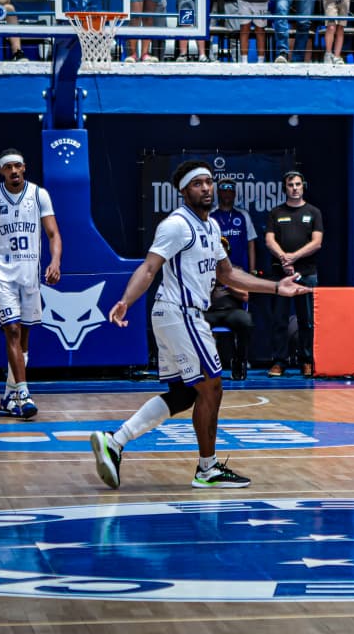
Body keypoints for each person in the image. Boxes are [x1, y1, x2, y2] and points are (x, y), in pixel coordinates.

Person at [91, 161, 310, 490]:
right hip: (180, 312)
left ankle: (115, 441)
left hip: (180, 315)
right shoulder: (176, 225)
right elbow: (149, 268)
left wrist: (278, 287)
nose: (206, 188)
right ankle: (207, 469)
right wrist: (126, 300)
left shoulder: (211, 227)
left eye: (209, 182)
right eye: (198, 183)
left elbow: (228, 274)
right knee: (212, 387)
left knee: (183, 395)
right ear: (183, 191)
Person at [0, 148, 63, 419]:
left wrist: (55, 261)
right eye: (8, 167)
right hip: (0, 273)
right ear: (1, 171)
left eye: (17, 166)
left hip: (28, 274)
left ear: (24, 168)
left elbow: (53, 233)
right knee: (11, 330)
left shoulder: (39, 195)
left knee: (24, 338)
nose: (13, 171)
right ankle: (23, 394)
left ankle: (7, 398)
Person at [265, 171, 323, 377]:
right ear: (285, 188)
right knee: (279, 320)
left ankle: (306, 361)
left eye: (298, 184)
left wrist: (293, 257)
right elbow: (269, 240)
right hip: (281, 275)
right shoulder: (276, 212)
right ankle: (279, 362)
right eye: (291, 185)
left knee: (306, 320)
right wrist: (284, 259)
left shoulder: (314, 212)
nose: (295, 188)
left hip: (307, 274)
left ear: (303, 186)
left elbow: (317, 242)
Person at [207, 179, 258, 380]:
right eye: (223, 190)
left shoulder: (242, 216)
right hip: (211, 308)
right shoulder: (211, 216)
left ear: (235, 194)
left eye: (230, 190)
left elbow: (251, 243)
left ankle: (240, 362)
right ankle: (207, 364)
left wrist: (247, 274)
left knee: (244, 320)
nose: (227, 194)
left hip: (236, 279)